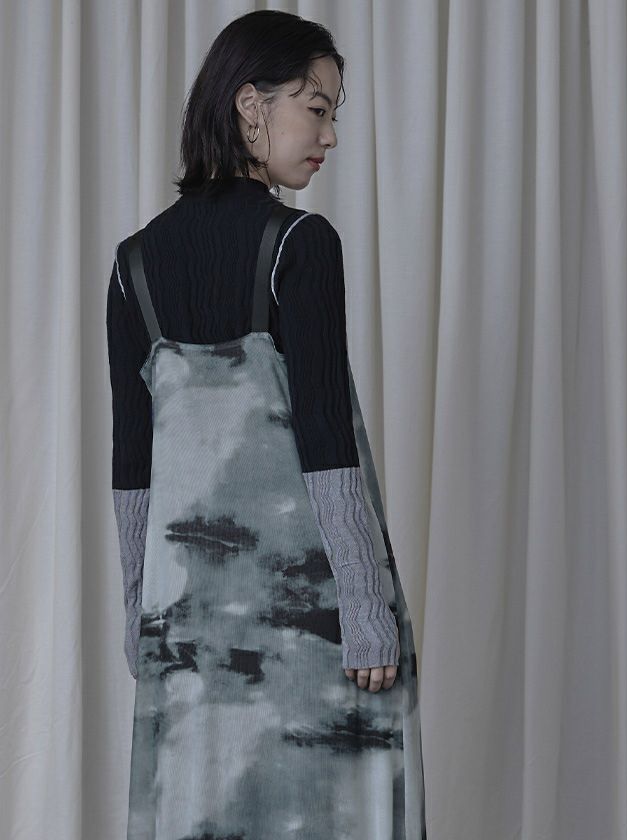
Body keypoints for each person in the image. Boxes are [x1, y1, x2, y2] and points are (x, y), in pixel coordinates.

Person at [107, 9, 426, 839]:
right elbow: (325, 438)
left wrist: (142, 613)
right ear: (251, 104)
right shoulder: (301, 243)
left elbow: (131, 463)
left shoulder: (132, 264)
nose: (329, 135)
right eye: (316, 108)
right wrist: (365, 608)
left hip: (188, 630)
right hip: (308, 625)